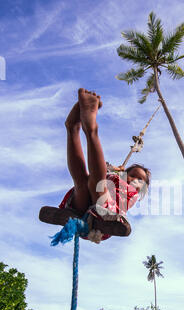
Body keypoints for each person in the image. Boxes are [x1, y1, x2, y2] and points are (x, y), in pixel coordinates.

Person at [60, 88, 151, 244]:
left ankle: (83, 129)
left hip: (102, 213)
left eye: (141, 180)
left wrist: (116, 172)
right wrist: (116, 171)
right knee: (82, 182)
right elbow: (104, 170)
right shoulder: (116, 180)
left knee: (94, 183)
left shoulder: (132, 194)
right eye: (133, 175)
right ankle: (74, 128)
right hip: (87, 207)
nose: (135, 180)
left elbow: (106, 177)